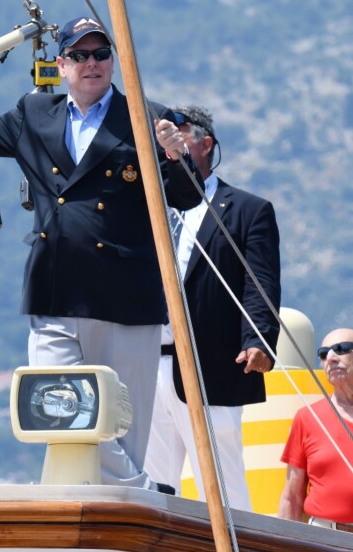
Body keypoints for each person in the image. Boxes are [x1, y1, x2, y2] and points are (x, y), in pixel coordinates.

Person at [0, 17, 204, 489]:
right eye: (79, 55)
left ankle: (124, 508)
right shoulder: (34, 115)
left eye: (100, 54)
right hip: (55, 290)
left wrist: (177, 156)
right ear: (61, 64)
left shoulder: (144, 117)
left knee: (127, 423)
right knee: (60, 404)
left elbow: (186, 197)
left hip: (126, 299)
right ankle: (140, 490)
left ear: (113, 61)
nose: (92, 63)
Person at [144, 105, 281, 509]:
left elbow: (261, 283)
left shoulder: (247, 210)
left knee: (221, 489)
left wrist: (258, 338)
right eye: (162, 131)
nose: (167, 137)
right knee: (151, 486)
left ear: (205, 144)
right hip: (147, 362)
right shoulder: (147, 202)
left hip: (212, 363)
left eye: (178, 130)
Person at [278, 328, 353, 531]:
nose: (331, 357)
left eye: (341, 349)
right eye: (323, 353)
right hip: (323, 537)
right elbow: (292, 497)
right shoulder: (307, 418)